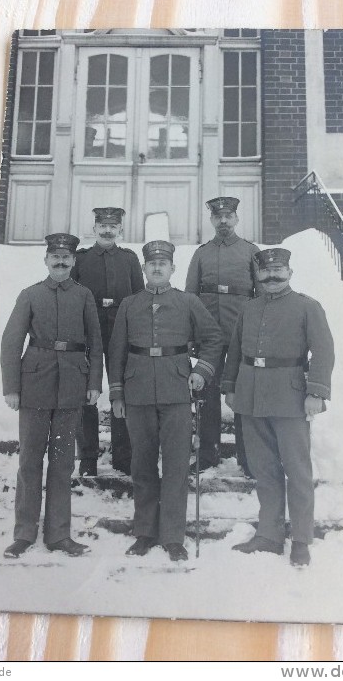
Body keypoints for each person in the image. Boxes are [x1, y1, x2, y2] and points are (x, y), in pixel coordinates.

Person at [108, 240, 223, 561]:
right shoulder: (129, 305)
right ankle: (144, 532)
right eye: (152, 264)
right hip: (137, 391)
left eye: (163, 264)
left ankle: (173, 536)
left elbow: (213, 338)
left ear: (172, 269)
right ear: (144, 269)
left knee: (175, 466)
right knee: (142, 464)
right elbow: (116, 351)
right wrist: (117, 392)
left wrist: (201, 371)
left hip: (176, 391)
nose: (157, 268)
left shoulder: (188, 302)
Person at [221, 248, 335, 567]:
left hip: (290, 398)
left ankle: (300, 539)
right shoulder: (249, 308)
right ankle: (269, 535)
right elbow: (235, 351)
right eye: (266, 271)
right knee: (265, 471)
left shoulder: (307, 307)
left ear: (289, 272)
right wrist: (230, 386)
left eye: (278, 270)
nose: (272, 276)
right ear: (257, 275)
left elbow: (323, 352)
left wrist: (316, 392)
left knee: (297, 471)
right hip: (251, 395)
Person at [1, 233, 103, 559]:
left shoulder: (84, 295)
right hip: (35, 386)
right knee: (29, 461)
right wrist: (12, 388)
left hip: (72, 386)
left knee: (61, 465)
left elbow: (96, 343)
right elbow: (10, 344)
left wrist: (94, 383)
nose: (60, 262)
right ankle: (24, 534)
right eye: (54, 257)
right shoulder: (30, 295)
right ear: (46, 260)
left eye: (66, 258)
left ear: (73, 261)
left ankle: (59, 535)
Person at [185, 196, 261, 475]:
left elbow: (261, 296)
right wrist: (191, 333)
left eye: (229, 216)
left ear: (237, 219)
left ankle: (248, 456)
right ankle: (207, 453)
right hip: (209, 335)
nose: (224, 221)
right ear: (212, 220)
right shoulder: (202, 254)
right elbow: (190, 298)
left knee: (241, 392)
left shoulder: (250, 252)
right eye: (218, 217)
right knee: (206, 391)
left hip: (241, 333)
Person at [71, 207, 144, 477]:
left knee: (121, 388)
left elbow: (138, 297)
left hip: (120, 329)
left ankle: (122, 455)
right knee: (87, 390)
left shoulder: (129, 259)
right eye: (102, 225)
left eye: (113, 226)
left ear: (120, 229)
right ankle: (88, 456)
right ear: (95, 227)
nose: (107, 230)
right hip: (89, 329)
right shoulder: (81, 259)